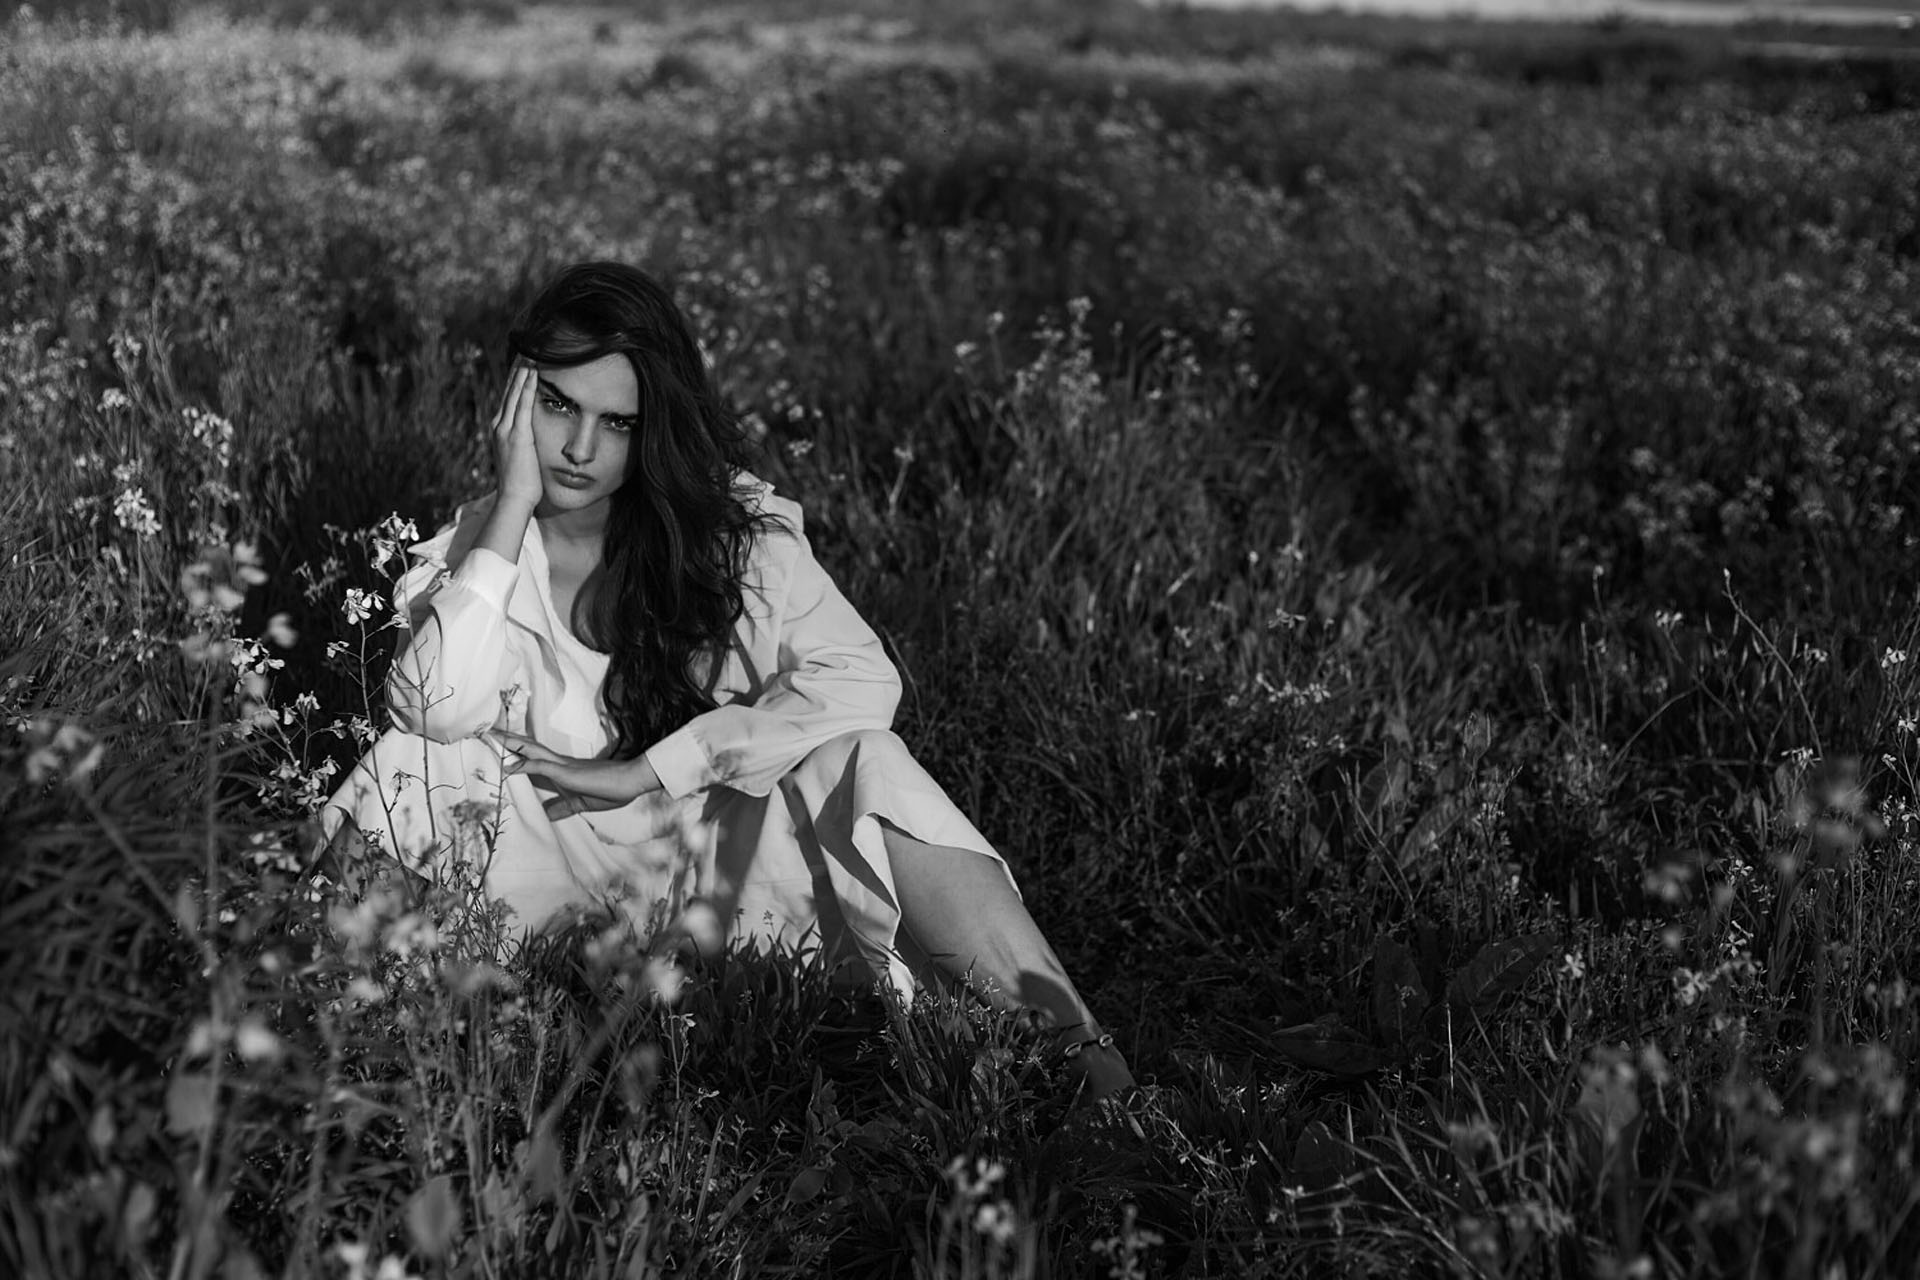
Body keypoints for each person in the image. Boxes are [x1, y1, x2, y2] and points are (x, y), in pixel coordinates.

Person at [322, 261, 1134, 1099]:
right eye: (558, 405)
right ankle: (335, 1033)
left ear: (654, 429)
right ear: (516, 397)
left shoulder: (728, 535)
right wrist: (511, 505)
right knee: (419, 761)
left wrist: (652, 769)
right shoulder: (480, 552)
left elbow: (860, 680)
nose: (579, 448)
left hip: (725, 872)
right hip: (555, 886)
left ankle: (1091, 1063)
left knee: (864, 760)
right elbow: (430, 713)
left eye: (618, 422)